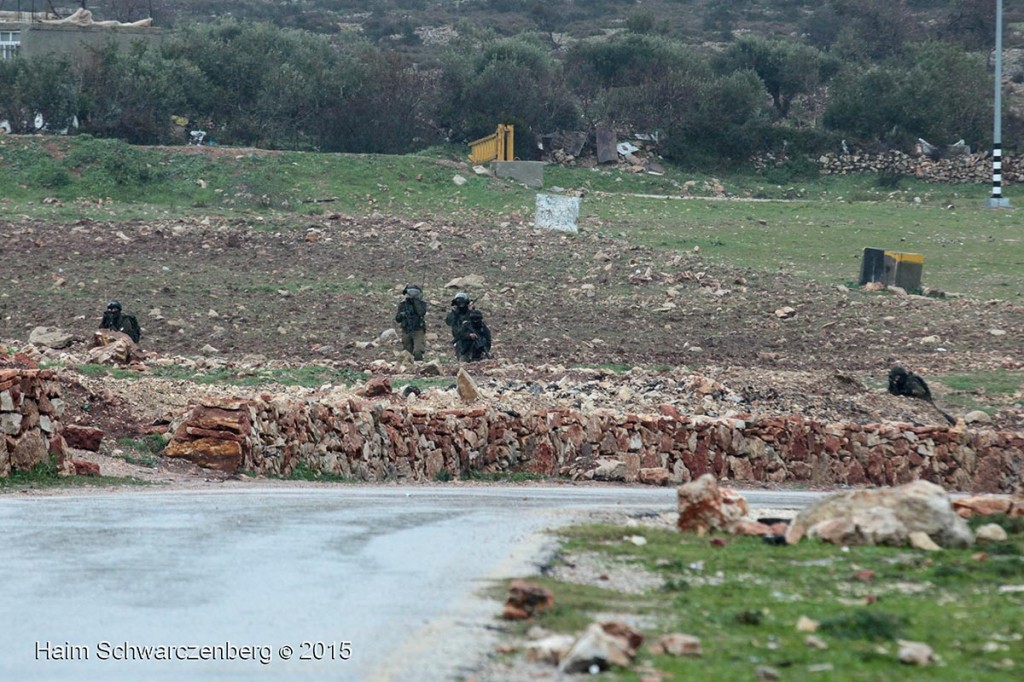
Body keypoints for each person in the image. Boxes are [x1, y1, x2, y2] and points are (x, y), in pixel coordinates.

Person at [395, 284, 427, 361]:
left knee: (418, 352)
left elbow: (421, 312)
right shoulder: (403, 305)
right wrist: (402, 315)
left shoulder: (421, 304)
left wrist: (415, 302)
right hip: (406, 330)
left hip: (418, 330)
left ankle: (419, 367)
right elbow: (397, 319)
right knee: (406, 353)